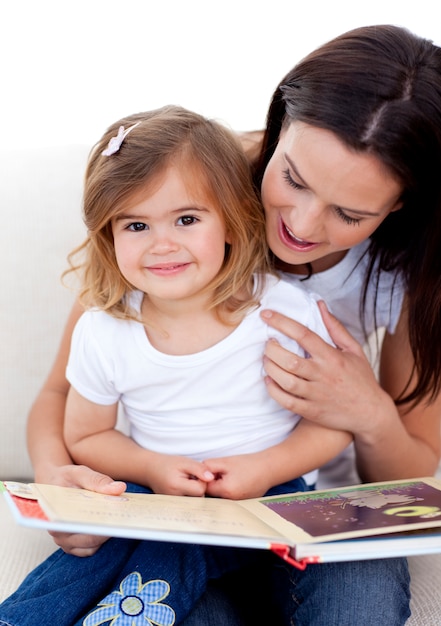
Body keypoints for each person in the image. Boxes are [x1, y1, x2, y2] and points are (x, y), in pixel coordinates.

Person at [19, 23, 441, 625]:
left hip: (307, 504)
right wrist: (57, 481)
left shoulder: (413, 270)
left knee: (363, 589)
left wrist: (365, 410)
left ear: (400, 204)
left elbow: (410, 475)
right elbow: (65, 391)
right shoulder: (179, 195)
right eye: (292, 178)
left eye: (349, 213)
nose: (302, 223)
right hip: (179, 510)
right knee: (180, 600)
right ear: (277, 129)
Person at [0, 105, 352, 626]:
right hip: (159, 494)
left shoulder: (284, 312)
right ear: (110, 236)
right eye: (136, 224)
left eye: (186, 219)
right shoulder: (105, 329)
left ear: (231, 221)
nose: (162, 244)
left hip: (273, 496)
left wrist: (264, 469)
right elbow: (87, 435)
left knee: (177, 549)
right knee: (124, 543)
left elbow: (332, 421)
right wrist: (153, 468)